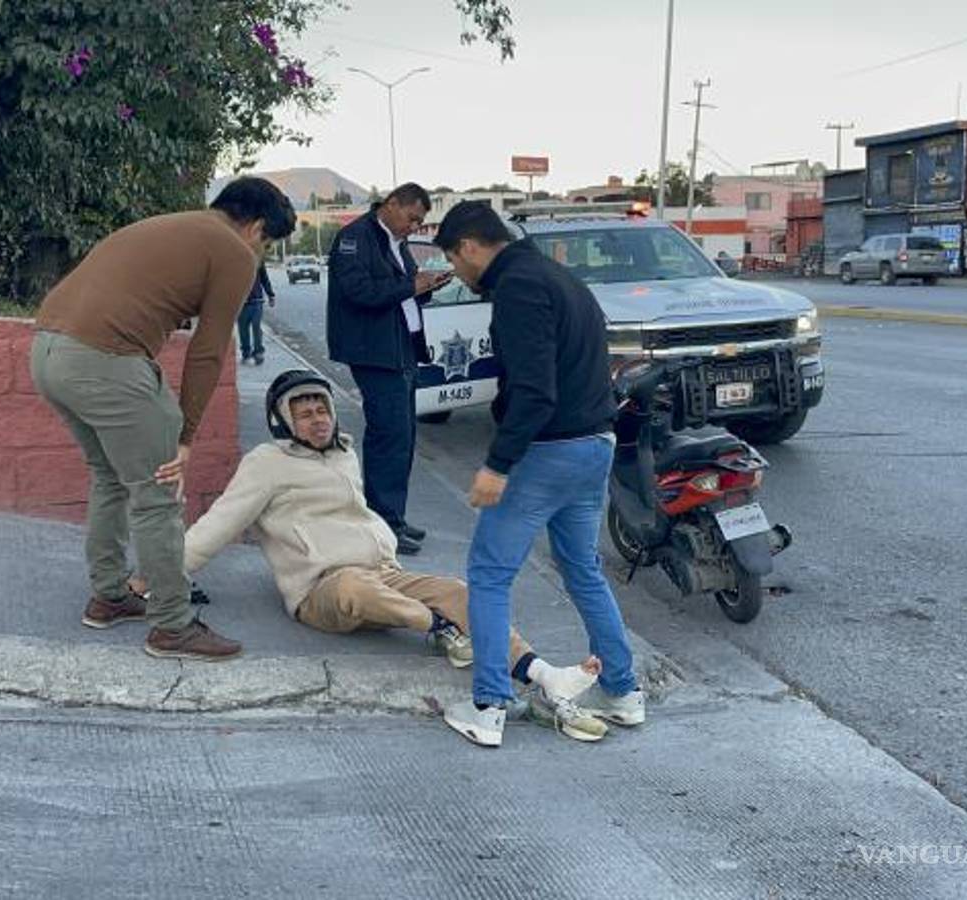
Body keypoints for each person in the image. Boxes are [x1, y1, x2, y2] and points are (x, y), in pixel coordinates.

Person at [181, 370, 607, 743]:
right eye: (305, 413)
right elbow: (219, 523)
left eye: (323, 409)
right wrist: (164, 574)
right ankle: (441, 628)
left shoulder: (343, 452)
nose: (319, 420)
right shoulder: (266, 463)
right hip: (322, 588)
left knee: (458, 590)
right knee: (356, 587)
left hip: (384, 572)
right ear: (283, 421)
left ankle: (544, 674)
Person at [30, 176, 296, 662]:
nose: (261, 251)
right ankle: (172, 625)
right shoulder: (234, 252)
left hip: (47, 350)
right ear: (256, 227)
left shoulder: (170, 223)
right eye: (267, 242)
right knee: (159, 493)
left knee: (109, 477)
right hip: (105, 360)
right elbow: (209, 351)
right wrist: (187, 436)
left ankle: (109, 597)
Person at [432, 202, 646, 748]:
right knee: (582, 569)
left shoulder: (518, 289)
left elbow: (534, 390)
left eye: (455, 261)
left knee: (488, 573)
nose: (458, 273)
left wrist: (498, 465)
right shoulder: (559, 277)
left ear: (470, 247)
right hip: (594, 445)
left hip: (548, 452)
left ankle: (487, 707)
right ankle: (623, 693)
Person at [326, 183, 450, 556]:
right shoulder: (356, 238)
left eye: (420, 221)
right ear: (392, 204)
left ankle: (393, 515)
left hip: (401, 349)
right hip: (375, 351)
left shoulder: (395, 241)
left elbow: (403, 290)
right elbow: (360, 292)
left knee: (404, 436)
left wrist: (429, 285)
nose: (414, 226)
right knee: (389, 437)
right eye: (412, 218)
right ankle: (382, 523)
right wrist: (411, 284)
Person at [238, 260, 276, 365]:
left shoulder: (258, 259)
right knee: (243, 328)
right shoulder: (235, 257)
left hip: (257, 300)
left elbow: (264, 278)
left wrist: (270, 294)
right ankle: (246, 352)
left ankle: (258, 352)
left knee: (256, 326)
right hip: (241, 301)